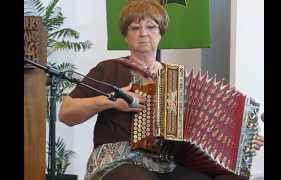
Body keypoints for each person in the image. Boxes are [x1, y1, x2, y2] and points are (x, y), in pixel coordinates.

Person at [59, 0, 264, 180]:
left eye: (151, 26)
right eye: (134, 27)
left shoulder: (178, 78)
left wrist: (243, 140)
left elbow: (208, 126)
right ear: (125, 35)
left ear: (161, 33)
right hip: (117, 160)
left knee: (233, 176)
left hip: (169, 162)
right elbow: (66, 114)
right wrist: (110, 101)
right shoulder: (109, 68)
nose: (143, 33)